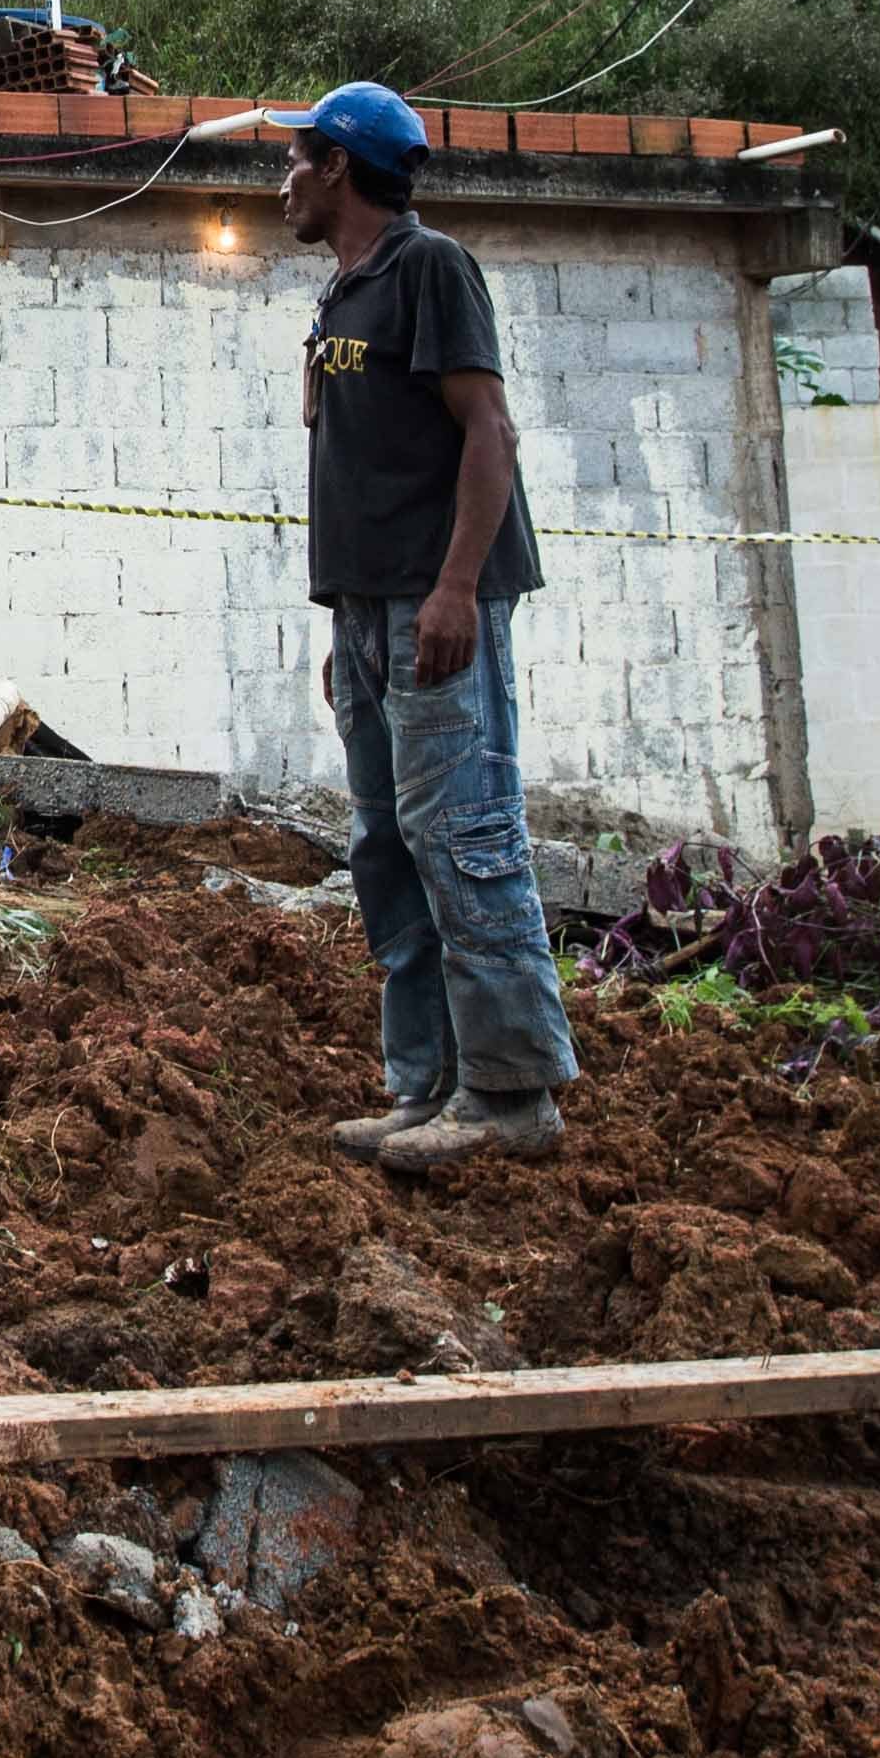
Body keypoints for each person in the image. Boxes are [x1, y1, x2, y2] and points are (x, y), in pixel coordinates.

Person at [265, 78, 577, 1170]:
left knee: (466, 838)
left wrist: (453, 590)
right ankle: (428, 1086)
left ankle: (512, 1095)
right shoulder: (345, 295)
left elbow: (487, 431)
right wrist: (343, 627)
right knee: (388, 848)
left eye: (297, 160)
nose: (285, 181)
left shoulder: (429, 268)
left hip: (434, 604)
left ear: (341, 165)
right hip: (367, 611)